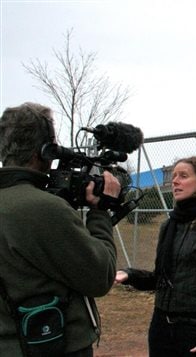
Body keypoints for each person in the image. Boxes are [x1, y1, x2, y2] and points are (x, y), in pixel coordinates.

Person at [0, 102, 121, 356]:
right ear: (44, 151)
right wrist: (100, 213)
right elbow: (101, 276)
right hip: (47, 346)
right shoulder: (43, 209)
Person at [115, 156, 196, 357]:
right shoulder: (170, 225)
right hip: (162, 330)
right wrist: (129, 274)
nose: (175, 181)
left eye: (183, 176)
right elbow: (160, 278)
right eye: (173, 176)